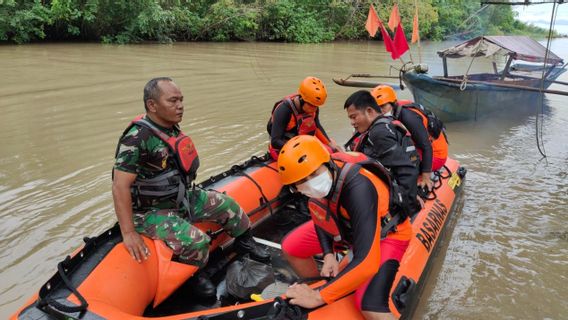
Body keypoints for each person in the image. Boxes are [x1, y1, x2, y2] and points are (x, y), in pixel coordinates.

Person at [112, 77, 270, 298]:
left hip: (180, 197)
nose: (180, 106)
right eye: (173, 101)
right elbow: (120, 186)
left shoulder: (169, 128)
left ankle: (245, 243)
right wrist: (128, 232)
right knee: (196, 241)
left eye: (181, 100)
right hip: (150, 211)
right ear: (152, 105)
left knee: (228, 205)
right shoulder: (137, 138)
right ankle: (193, 276)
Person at [277, 135, 411, 320]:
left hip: (387, 233)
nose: (310, 182)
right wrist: (328, 254)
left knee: (370, 305)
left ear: (328, 163)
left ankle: (321, 292)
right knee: (291, 247)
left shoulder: (358, 187)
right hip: (346, 225)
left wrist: (319, 296)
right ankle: (320, 282)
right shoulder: (320, 183)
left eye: (314, 174)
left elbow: (367, 263)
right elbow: (320, 217)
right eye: (302, 181)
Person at [344, 90, 421, 216]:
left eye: (354, 117)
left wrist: (407, 209)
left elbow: (407, 170)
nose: (352, 122)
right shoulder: (387, 121)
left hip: (394, 195)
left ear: (369, 111)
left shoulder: (379, 133)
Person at [371, 85, 449, 191]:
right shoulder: (394, 111)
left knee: (399, 165)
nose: (380, 111)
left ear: (393, 103)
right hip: (422, 147)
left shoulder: (408, 117)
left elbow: (426, 146)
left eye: (383, 106)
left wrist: (425, 178)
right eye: (377, 108)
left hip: (436, 154)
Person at [268, 76, 339, 160]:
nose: (314, 109)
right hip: (284, 143)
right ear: (302, 99)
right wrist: (299, 150)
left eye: (316, 106)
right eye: (311, 105)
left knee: (331, 148)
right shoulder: (284, 110)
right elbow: (275, 141)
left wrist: (330, 144)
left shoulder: (313, 104)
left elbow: (317, 126)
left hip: (300, 139)